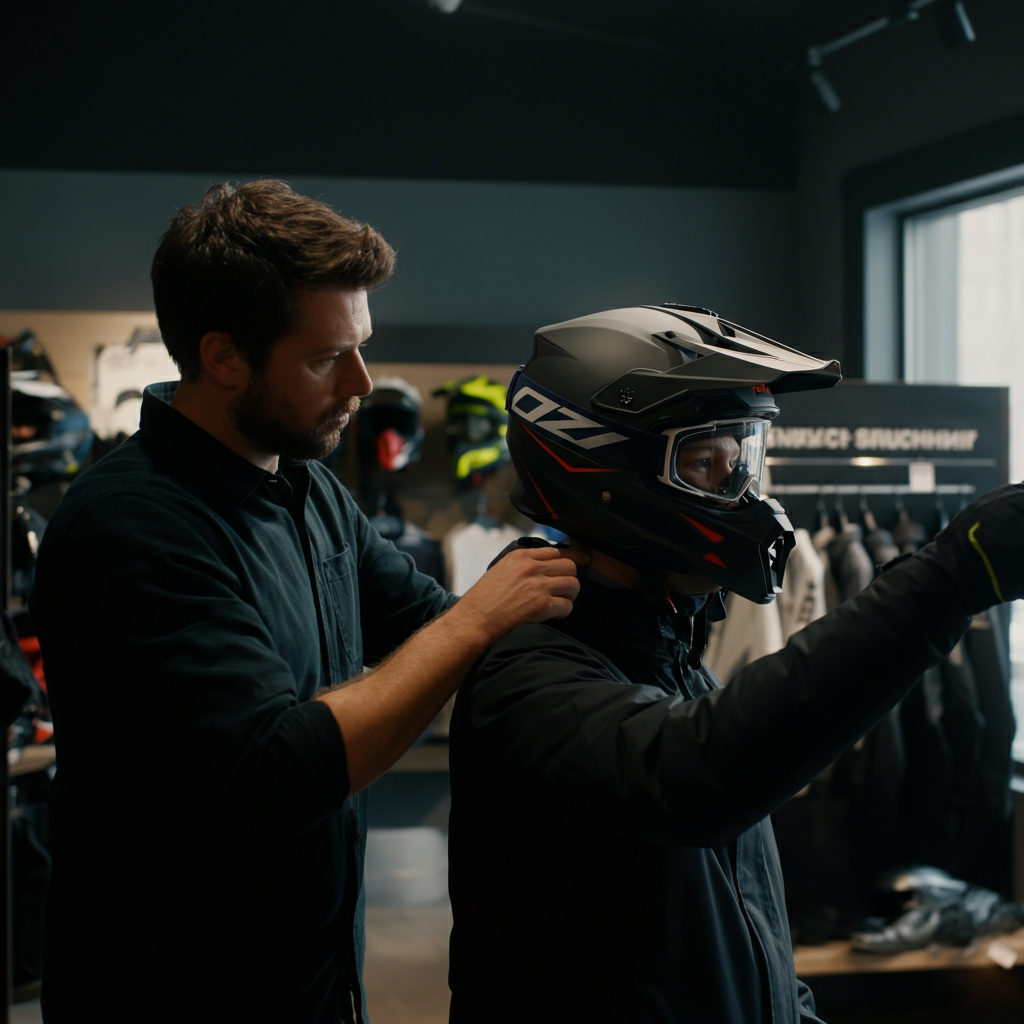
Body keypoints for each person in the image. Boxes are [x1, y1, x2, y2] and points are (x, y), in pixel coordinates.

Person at [29, 180, 581, 1024]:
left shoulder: (309, 489)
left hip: (315, 979)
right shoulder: (128, 526)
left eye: (362, 347)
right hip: (171, 994)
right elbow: (276, 770)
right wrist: (478, 618)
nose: (361, 383)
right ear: (223, 358)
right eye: (328, 358)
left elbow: (432, 622)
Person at [446, 304, 1024, 1024]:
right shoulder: (525, 673)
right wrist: (950, 578)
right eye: (703, 462)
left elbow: (742, 924)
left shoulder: (674, 653)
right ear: (601, 470)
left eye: (742, 458)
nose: (740, 491)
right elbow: (692, 775)